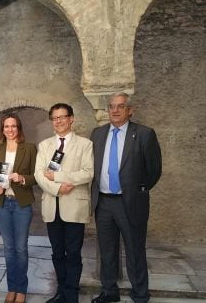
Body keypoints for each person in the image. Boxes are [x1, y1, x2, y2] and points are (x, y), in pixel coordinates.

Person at [90, 92, 162, 303]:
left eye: (120, 106)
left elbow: (154, 170)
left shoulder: (144, 134)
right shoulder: (97, 133)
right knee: (107, 250)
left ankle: (140, 294)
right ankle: (109, 291)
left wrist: (137, 190)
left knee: (134, 250)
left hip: (129, 202)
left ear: (130, 110)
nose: (115, 110)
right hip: (103, 202)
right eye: (111, 106)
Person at [34, 103, 94, 303]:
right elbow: (39, 175)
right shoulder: (44, 145)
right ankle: (61, 292)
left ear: (71, 118)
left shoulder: (85, 144)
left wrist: (58, 176)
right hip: (52, 207)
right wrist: (58, 188)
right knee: (57, 252)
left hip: (74, 207)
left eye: (62, 117)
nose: (58, 121)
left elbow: (87, 173)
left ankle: (71, 295)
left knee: (74, 253)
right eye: (54, 118)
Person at [0, 114, 37, 303]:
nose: (10, 130)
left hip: (21, 203)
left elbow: (36, 176)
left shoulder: (30, 148)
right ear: (2, 129)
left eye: (14, 126)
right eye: (6, 126)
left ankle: (22, 289)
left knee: (21, 248)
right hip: (3, 203)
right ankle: (12, 288)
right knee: (8, 248)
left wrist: (23, 178)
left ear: (19, 128)